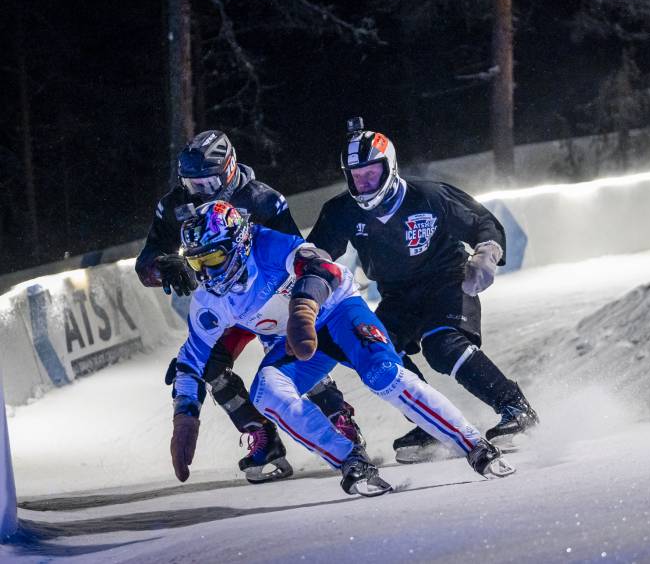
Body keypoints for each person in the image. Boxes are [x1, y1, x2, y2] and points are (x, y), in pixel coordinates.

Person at [171, 200, 514, 495]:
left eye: (213, 258)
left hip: (337, 311)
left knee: (382, 374)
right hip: (297, 335)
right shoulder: (207, 301)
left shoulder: (268, 245)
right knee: (266, 392)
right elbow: (191, 359)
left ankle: (472, 444)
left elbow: (324, 269)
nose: (207, 273)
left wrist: (303, 308)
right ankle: (350, 459)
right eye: (197, 262)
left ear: (240, 241)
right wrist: (184, 416)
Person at [307, 117, 539, 463]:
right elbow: (318, 251)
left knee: (442, 346)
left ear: (390, 168)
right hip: (396, 296)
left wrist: (486, 253)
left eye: (371, 172)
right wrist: (311, 276)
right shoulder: (341, 210)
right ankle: (431, 424)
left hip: (446, 281)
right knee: (375, 353)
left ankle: (516, 409)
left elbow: (482, 222)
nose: (365, 182)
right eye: (356, 176)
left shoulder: (429, 196)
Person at [135, 130, 362, 483]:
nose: (201, 192)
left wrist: (300, 309)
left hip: (271, 297)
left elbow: (295, 253)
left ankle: (338, 416)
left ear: (229, 170)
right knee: (208, 362)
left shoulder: (263, 200)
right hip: (224, 307)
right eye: (193, 184)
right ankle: (261, 434)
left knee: (290, 352)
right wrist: (163, 264)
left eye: (209, 183)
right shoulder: (173, 205)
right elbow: (147, 260)